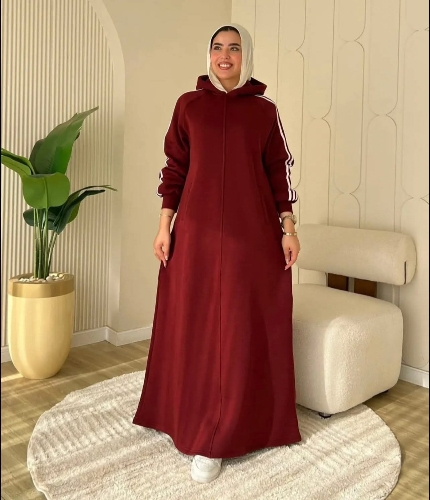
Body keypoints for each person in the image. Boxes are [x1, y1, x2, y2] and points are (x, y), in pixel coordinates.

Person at [132, 23, 302, 484]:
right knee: (197, 325)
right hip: (197, 237)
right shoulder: (188, 106)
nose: (225, 55)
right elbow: (175, 168)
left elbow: (279, 173)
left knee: (239, 329)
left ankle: (233, 429)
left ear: (247, 56)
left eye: (234, 48)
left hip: (251, 239)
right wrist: (164, 226)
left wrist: (288, 228)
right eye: (217, 47)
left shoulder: (265, 111)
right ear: (208, 55)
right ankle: (190, 417)